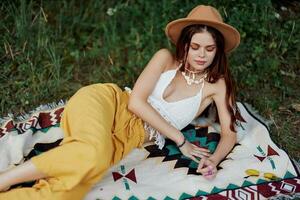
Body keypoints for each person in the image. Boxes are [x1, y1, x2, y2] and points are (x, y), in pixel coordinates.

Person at [0, 4, 244, 200]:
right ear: (186, 45)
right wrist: (181, 141)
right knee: (91, 153)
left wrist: (213, 160)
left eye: (209, 49)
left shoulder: (217, 85)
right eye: (196, 47)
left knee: (75, 186)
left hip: (129, 138)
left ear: (218, 50)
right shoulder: (165, 58)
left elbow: (229, 133)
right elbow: (135, 103)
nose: (201, 55)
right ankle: (4, 181)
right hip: (108, 103)